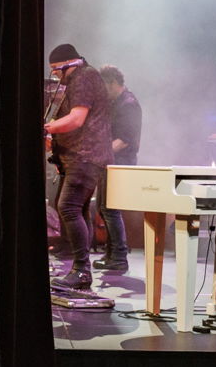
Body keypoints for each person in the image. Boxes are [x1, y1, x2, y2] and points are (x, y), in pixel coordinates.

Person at [42, 43, 112, 288]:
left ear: (69, 65)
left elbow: (77, 118)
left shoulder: (83, 77)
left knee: (68, 207)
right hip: (81, 156)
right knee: (78, 210)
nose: (56, 76)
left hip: (85, 156)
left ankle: (82, 270)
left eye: (56, 70)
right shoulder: (83, 77)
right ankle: (80, 270)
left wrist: (46, 128)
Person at [94, 65, 142, 271]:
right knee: (104, 208)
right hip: (112, 161)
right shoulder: (117, 103)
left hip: (120, 162)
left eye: (103, 86)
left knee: (110, 208)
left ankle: (119, 256)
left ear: (113, 83)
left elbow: (124, 140)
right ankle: (111, 254)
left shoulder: (128, 104)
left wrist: (99, 155)